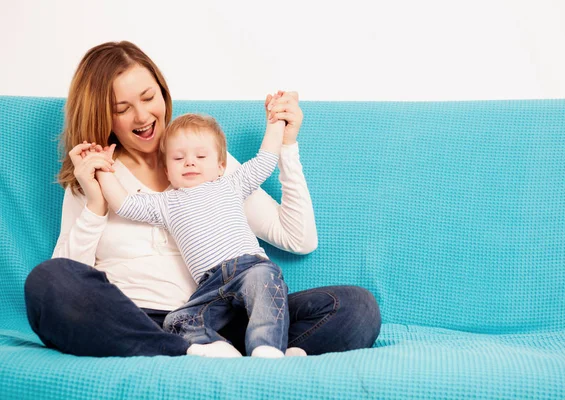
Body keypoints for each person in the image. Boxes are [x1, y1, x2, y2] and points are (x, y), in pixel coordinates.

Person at [24, 40, 381, 358]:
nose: (143, 116)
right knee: (47, 284)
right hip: (139, 321)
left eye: (149, 98)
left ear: (163, 93)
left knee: (356, 306)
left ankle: (271, 358)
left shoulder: (204, 162)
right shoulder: (94, 177)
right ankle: (183, 348)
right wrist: (96, 203)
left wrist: (287, 144)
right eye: (123, 108)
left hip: (225, 316)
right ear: (103, 115)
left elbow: (298, 238)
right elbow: (67, 276)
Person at [91, 111, 291, 358]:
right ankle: (219, 347)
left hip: (249, 267)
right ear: (167, 171)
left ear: (220, 166)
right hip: (209, 285)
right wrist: (103, 170)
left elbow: (264, 161)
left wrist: (275, 124)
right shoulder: (165, 203)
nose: (189, 162)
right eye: (178, 158)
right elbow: (124, 205)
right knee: (176, 320)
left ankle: (267, 348)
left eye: (200, 156)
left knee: (266, 281)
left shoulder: (231, 184)